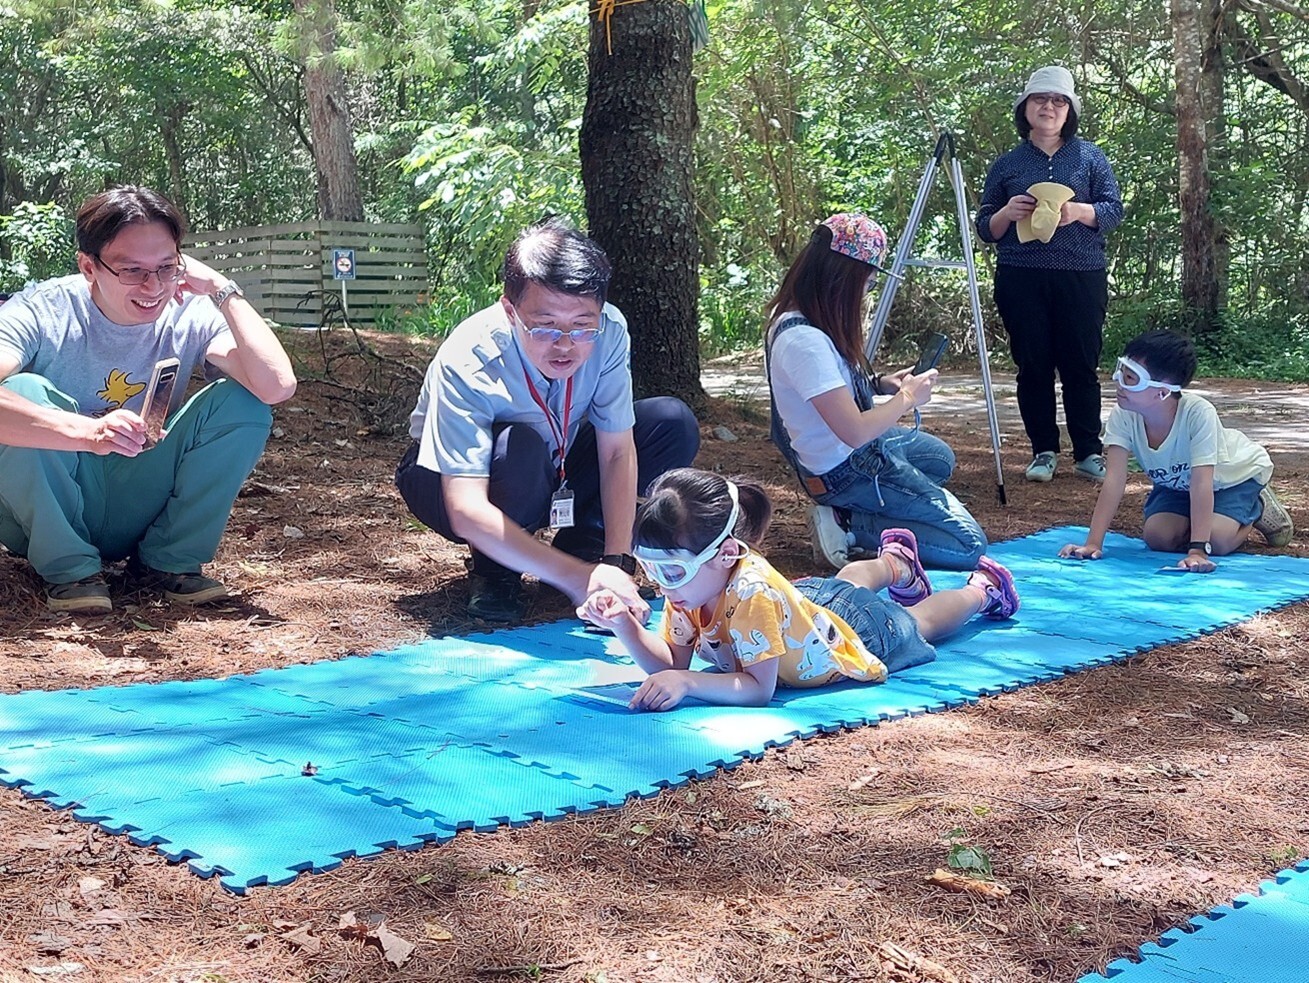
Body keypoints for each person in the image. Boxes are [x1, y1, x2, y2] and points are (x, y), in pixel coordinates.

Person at [0, 186, 297, 613]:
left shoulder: (189, 310)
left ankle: (168, 562)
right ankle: (69, 570)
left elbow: (277, 386)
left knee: (243, 403)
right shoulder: (44, 310)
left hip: (135, 489)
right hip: (46, 504)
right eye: (132, 269)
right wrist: (89, 432)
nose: (153, 285)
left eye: (166, 267)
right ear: (88, 266)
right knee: (22, 392)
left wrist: (221, 289)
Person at [397, 217, 700, 623]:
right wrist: (578, 581)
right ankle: (496, 571)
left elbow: (615, 452)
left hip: (556, 468)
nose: (564, 345)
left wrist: (617, 560)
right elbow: (465, 506)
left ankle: (586, 547)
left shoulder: (610, 331)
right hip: (452, 481)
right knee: (518, 447)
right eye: (544, 327)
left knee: (669, 421)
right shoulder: (469, 356)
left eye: (580, 327)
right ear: (510, 309)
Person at [578, 468, 1019, 712]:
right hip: (807, 615)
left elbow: (757, 690)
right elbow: (669, 664)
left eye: (670, 570)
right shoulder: (689, 586)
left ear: (726, 553)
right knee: (841, 590)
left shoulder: (750, 593)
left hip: (850, 640)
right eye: (650, 568)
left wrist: (689, 682)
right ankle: (895, 563)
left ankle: (983, 588)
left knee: (918, 622)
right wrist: (623, 626)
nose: (658, 583)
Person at [765, 212, 987, 571]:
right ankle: (849, 525)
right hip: (845, 469)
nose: (867, 293)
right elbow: (853, 431)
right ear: (841, 278)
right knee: (967, 545)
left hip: (851, 454)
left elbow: (829, 391)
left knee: (939, 459)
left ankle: (865, 510)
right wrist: (907, 399)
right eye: (867, 284)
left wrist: (881, 384)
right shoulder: (803, 340)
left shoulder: (808, 321)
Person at [975, 66, 1124, 485]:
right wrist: (1006, 212)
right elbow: (986, 226)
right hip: (1021, 276)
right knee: (1034, 364)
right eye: (1041, 99)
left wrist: (1078, 211)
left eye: (1059, 101)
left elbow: (1114, 210)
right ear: (1025, 109)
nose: (1049, 107)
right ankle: (1043, 450)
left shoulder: (1090, 157)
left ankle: (1088, 452)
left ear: (1069, 111)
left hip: (1081, 275)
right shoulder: (1007, 164)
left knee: (1080, 363)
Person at [1058, 330, 1294, 571]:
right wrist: (1093, 542)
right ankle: (1211, 520)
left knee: (1218, 540)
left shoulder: (1198, 414)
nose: (1118, 382)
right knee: (1159, 537)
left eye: (1130, 378)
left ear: (1161, 392)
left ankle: (1257, 506)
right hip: (1178, 484)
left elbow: (1202, 482)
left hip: (1231, 479)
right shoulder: (1124, 414)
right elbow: (1114, 479)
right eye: (1121, 372)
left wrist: (1198, 550)